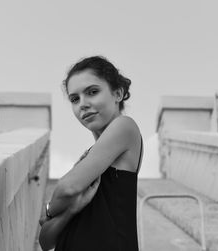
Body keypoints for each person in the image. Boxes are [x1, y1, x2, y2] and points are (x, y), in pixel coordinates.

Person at [39, 56, 143, 251]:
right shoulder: (88, 160)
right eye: (74, 99)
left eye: (92, 92)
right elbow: (45, 241)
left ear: (118, 93)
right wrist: (70, 209)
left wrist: (49, 210)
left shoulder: (125, 126)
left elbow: (68, 187)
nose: (83, 104)